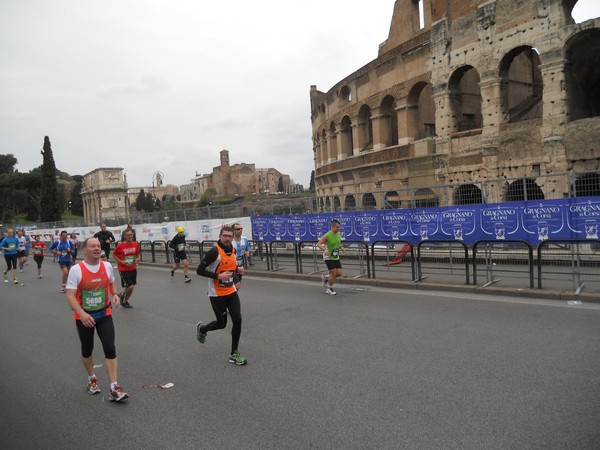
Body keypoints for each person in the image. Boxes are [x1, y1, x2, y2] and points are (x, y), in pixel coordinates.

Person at [65, 237, 128, 402]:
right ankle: (92, 378)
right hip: (84, 316)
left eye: (98, 246)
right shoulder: (76, 270)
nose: (96, 248)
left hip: (104, 314)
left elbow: (112, 283)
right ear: (84, 250)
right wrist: (82, 313)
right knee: (87, 349)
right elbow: (70, 295)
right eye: (92, 246)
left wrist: (114, 295)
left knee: (110, 348)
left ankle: (114, 386)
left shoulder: (106, 266)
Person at [195, 226, 247, 366]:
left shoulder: (234, 250)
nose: (228, 238)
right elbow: (199, 270)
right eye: (225, 236)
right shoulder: (214, 252)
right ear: (220, 236)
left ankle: (234, 353)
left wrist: (238, 271)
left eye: (230, 236)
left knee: (238, 319)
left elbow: (231, 268)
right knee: (221, 324)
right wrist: (218, 276)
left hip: (230, 291)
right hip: (216, 294)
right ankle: (202, 329)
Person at [317, 219, 346, 296]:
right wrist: (324, 250)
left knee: (339, 273)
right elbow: (319, 244)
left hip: (335, 255)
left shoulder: (338, 234)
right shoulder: (327, 235)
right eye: (337, 227)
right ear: (332, 227)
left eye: (339, 227)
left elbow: (337, 243)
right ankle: (329, 289)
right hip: (328, 256)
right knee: (333, 273)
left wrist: (341, 247)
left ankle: (326, 278)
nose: (338, 228)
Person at [112, 229, 140, 309]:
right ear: (124, 236)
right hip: (123, 268)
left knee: (132, 287)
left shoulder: (135, 244)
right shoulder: (120, 245)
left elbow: (138, 254)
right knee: (130, 286)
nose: (130, 236)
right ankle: (121, 295)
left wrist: (137, 259)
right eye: (128, 235)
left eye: (131, 235)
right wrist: (121, 261)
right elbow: (114, 255)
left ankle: (125, 301)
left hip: (133, 268)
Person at [232, 223, 251, 290]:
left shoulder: (245, 239)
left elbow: (248, 247)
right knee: (236, 285)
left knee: (237, 284)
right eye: (238, 229)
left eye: (241, 229)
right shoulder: (230, 240)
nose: (240, 230)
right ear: (233, 231)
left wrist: (248, 252)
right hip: (231, 266)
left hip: (240, 265)